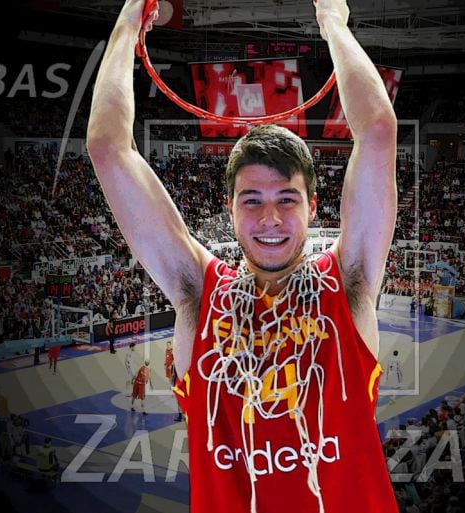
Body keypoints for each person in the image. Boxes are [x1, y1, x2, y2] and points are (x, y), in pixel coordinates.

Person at [87, 0, 398, 511]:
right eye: (252, 201)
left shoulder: (348, 282)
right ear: (230, 212)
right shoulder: (196, 292)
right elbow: (107, 147)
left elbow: (379, 131)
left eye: (286, 200)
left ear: (314, 207)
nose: (270, 220)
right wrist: (129, 19)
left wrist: (332, 22)